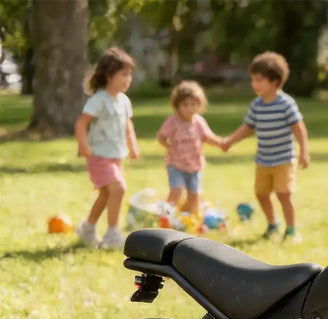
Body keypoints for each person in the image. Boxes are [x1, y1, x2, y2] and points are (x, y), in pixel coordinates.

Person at [222, 52, 310, 242]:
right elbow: (247, 128)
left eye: (259, 80)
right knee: (261, 194)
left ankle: (291, 230)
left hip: (284, 160)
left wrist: (304, 151)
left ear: (274, 80)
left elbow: (299, 128)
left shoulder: (286, 104)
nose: (254, 84)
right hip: (263, 160)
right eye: (253, 79)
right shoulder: (257, 105)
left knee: (283, 194)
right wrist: (230, 141)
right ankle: (272, 225)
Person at [74, 47, 140, 250]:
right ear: (109, 75)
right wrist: (83, 145)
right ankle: (112, 234)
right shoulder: (99, 100)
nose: (128, 79)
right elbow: (81, 124)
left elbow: (127, 125)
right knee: (118, 188)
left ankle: (87, 228)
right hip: (99, 156)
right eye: (124, 74)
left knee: (106, 195)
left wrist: (133, 144)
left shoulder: (124, 100)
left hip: (116, 156)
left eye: (130, 75)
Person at [155, 80, 224, 218]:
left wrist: (222, 143)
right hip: (176, 163)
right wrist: (167, 145)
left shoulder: (198, 121)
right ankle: (165, 216)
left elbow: (208, 137)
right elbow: (161, 136)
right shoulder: (172, 121)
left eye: (193, 104)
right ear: (177, 105)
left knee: (194, 193)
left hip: (194, 164)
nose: (190, 108)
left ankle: (192, 218)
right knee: (176, 190)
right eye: (185, 105)